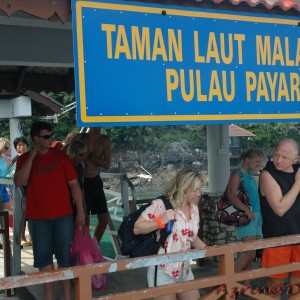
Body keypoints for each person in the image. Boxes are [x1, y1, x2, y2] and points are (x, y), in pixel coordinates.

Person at [14, 121, 85, 300]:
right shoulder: (24, 159)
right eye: (46, 136)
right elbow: (19, 182)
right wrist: (31, 157)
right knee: (44, 260)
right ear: (36, 139)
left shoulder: (61, 157)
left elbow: (74, 184)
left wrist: (81, 212)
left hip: (63, 216)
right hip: (38, 218)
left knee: (64, 258)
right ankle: (50, 298)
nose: (50, 139)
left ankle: (68, 297)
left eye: (51, 135)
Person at [133, 168, 207, 300]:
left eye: (199, 189)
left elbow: (191, 237)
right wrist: (161, 221)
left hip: (184, 270)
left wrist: (211, 252)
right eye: (195, 190)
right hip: (163, 269)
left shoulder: (194, 209)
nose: (198, 194)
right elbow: (137, 228)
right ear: (184, 188)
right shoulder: (162, 205)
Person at [259, 138, 300, 299]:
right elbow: (280, 208)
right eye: (276, 155)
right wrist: (298, 184)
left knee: (297, 287)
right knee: (275, 289)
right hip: (277, 239)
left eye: (284, 157)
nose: (278, 160)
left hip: (298, 236)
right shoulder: (267, 173)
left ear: (296, 160)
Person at [64, 127, 112, 243]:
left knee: (104, 218)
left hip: (95, 180)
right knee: (85, 217)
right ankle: (84, 248)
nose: (97, 126)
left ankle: (94, 245)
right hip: (80, 181)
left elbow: (107, 165)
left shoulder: (104, 140)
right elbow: (62, 152)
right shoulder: (80, 137)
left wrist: (90, 156)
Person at [227, 149, 262, 284]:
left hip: (256, 216)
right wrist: (247, 210)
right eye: (257, 161)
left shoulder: (250, 175)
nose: (259, 163)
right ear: (247, 159)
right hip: (246, 217)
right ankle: (226, 282)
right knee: (250, 254)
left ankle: (246, 285)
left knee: (250, 254)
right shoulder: (237, 174)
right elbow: (231, 195)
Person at [12, 136, 31, 246]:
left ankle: (31, 238)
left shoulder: (31, 157)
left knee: (32, 214)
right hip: (21, 190)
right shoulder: (16, 159)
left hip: (31, 189)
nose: (22, 147)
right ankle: (22, 237)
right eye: (19, 145)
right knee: (22, 215)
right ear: (16, 148)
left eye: (23, 144)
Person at [66, 140, 87, 223]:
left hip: (75, 200)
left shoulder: (81, 166)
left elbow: (81, 186)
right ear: (72, 153)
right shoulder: (65, 166)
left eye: (85, 154)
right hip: (65, 201)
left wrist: (83, 203)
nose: (83, 157)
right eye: (81, 154)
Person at [0, 138, 12, 210]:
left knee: (6, 213)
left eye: (8, 148)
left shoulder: (6, 159)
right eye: (6, 147)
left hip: (4, 187)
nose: (7, 150)